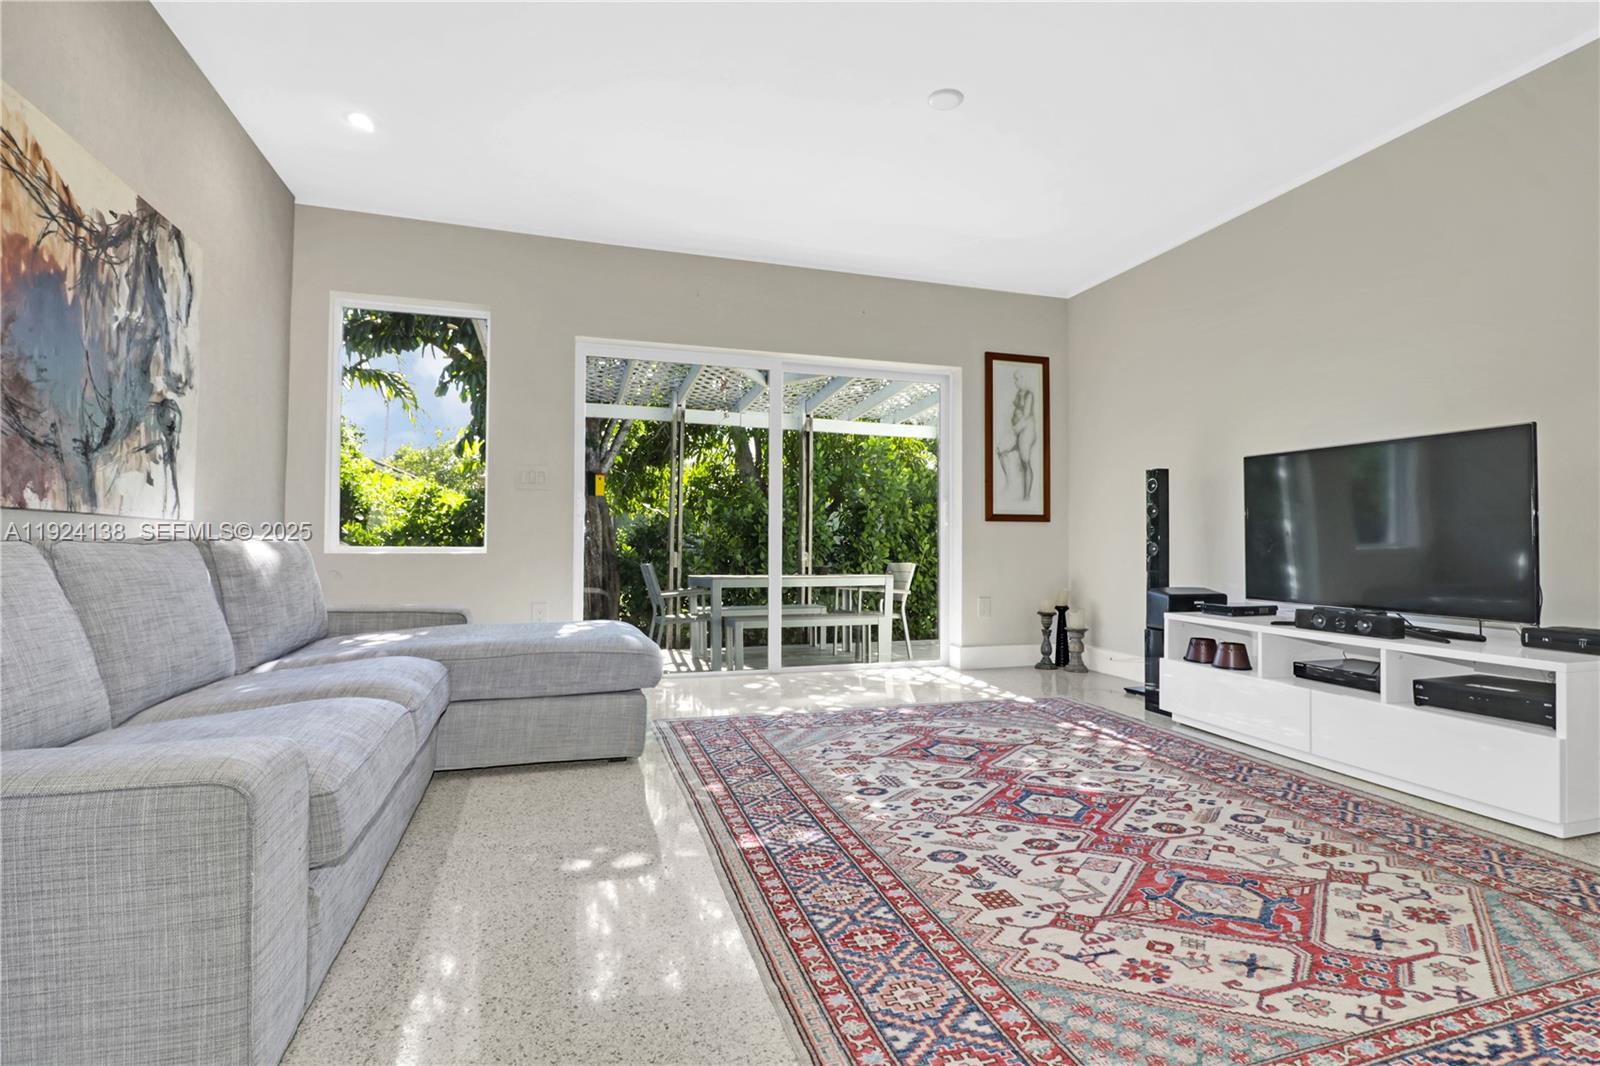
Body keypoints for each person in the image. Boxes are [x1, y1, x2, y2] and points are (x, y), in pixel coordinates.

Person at [996, 369, 1038, 500]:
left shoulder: (1029, 395)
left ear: (1023, 379)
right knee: (1000, 450)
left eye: (1017, 379)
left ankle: (1027, 495)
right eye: (1014, 379)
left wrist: (1014, 429)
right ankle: (1010, 481)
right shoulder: (1018, 393)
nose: (1015, 382)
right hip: (1016, 430)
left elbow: (1026, 416)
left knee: (1025, 461)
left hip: (1025, 430)